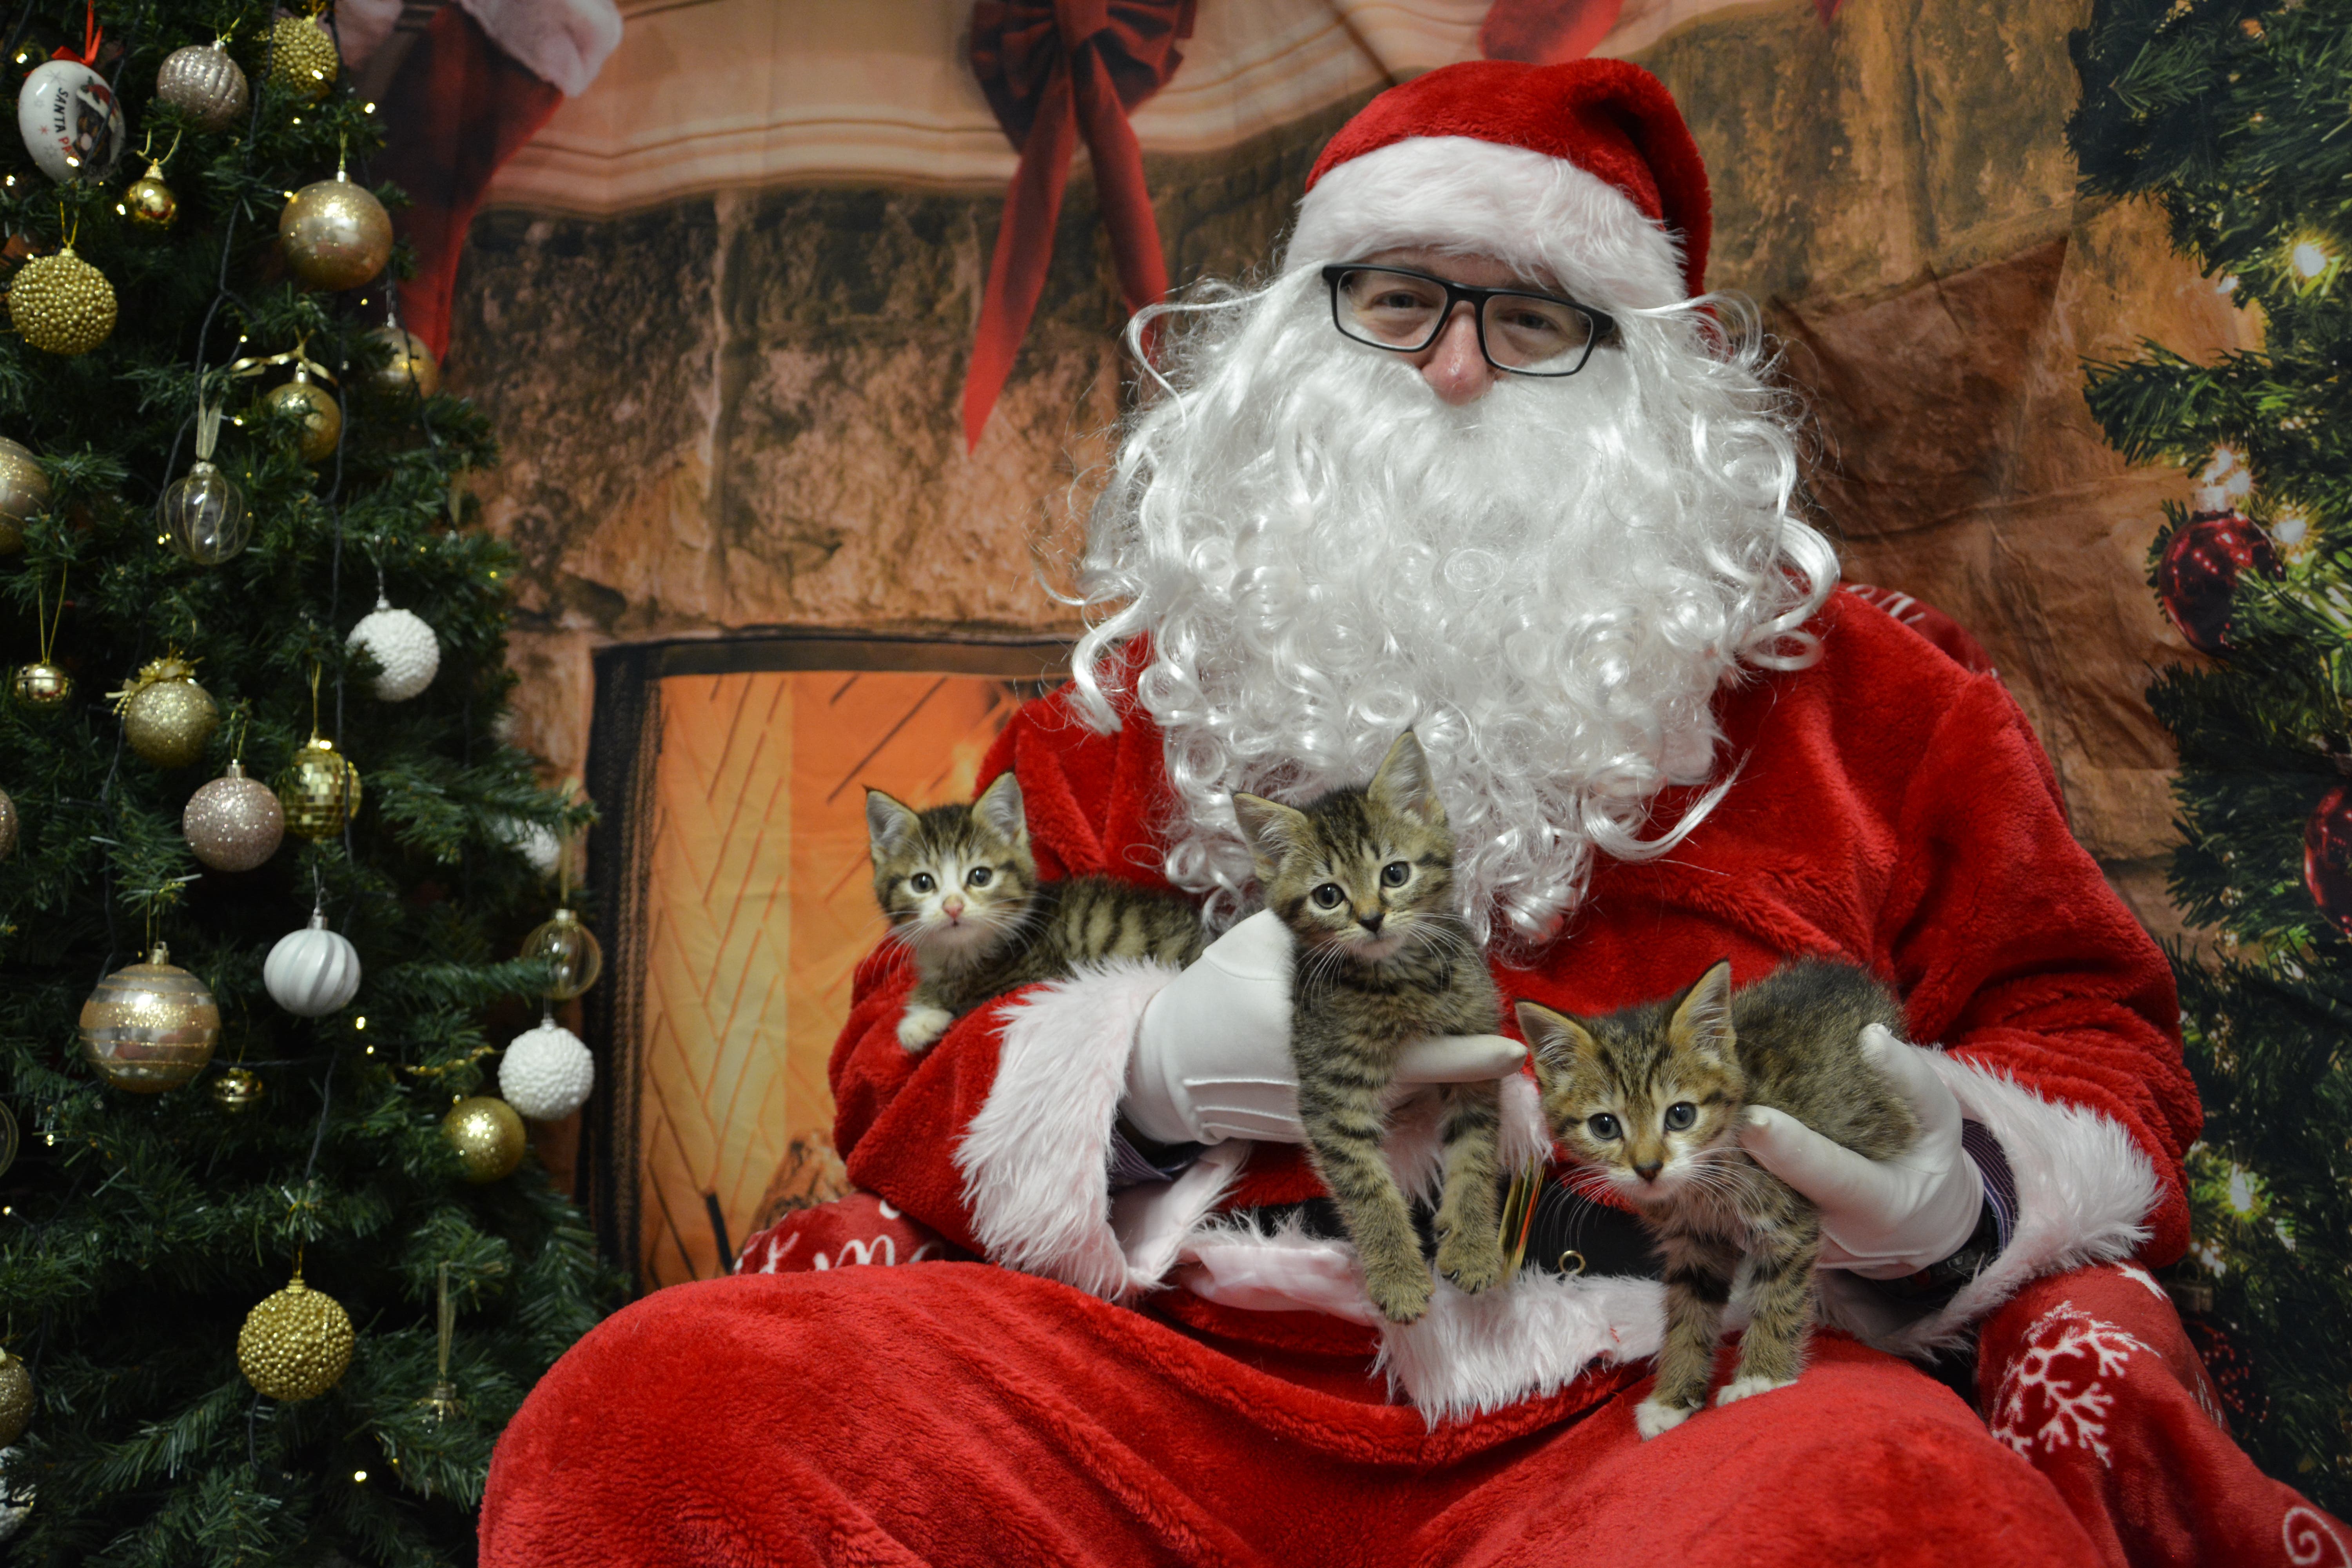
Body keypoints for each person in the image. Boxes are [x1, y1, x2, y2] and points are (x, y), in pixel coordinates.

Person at [482, 59, 2232, 1565]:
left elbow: (2083, 1020)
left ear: (1648, 392)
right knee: (659, 1411)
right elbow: (904, 1032)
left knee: (1895, 1506)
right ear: (1295, 345)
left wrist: (1963, 1188)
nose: (1452, 372)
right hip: (1158, 1388)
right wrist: (1148, 1069)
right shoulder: (1151, 691)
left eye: (1532, 318)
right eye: (1397, 299)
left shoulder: (1865, 695)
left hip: (1659, 1401)